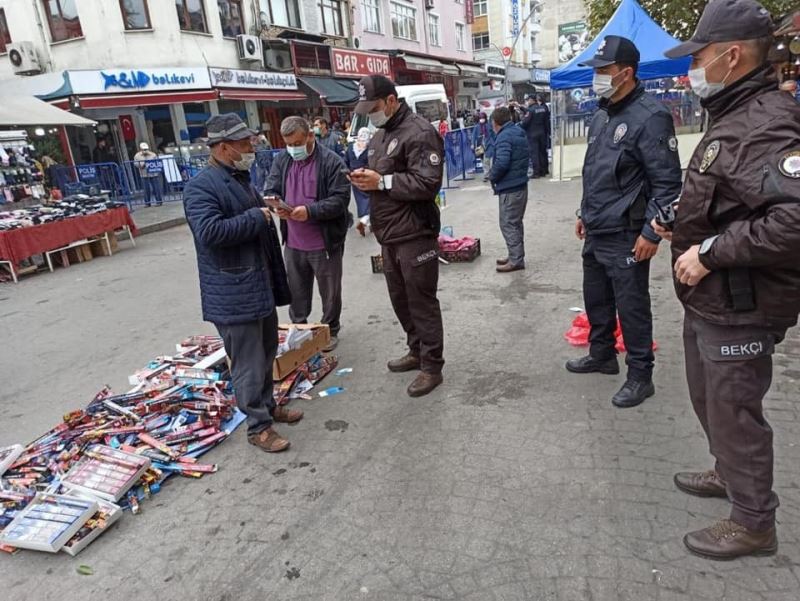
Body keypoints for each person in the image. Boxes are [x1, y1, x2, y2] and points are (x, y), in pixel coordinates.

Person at [654, 0, 800, 560]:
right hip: (711, 300)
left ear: (731, 55)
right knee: (709, 398)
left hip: (740, 300)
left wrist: (711, 252)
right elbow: (735, 196)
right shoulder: (736, 115)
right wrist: (684, 222)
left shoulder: (767, 121)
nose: (693, 69)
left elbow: (792, 218)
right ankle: (728, 472)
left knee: (735, 408)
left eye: (700, 56)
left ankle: (754, 521)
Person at [567, 35, 682, 409]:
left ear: (626, 73)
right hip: (598, 227)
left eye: (603, 71)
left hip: (628, 234)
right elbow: (594, 171)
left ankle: (640, 375)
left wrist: (652, 231)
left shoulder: (651, 117)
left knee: (631, 306)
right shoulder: (601, 114)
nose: (596, 77)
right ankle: (602, 356)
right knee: (596, 298)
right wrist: (584, 211)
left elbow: (667, 184)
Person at [183, 113, 301, 454]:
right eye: (244, 142)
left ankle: (267, 406)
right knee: (248, 363)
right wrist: (256, 216)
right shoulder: (201, 187)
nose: (251, 146)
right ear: (223, 147)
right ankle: (258, 427)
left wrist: (264, 207)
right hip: (233, 293)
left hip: (255, 286)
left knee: (265, 353)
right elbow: (210, 232)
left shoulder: (237, 178)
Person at [350, 75, 445, 398]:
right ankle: (415, 349)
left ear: (391, 100)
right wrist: (366, 189)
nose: (370, 114)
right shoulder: (380, 135)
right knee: (400, 300)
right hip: (388, 234)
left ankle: (432, 366)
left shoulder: (419, 132)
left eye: (374, 107)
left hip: (415, 232)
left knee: (421, 302)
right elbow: (377, 178)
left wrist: (383, 183)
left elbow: (428, 183)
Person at [264, 117, 350, 352]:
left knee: (330, 291)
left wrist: (310, 211)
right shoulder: (283, 160)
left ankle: (330, 328)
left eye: (298, 142)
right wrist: (275, 205)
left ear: (311, 136)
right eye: (289, 143)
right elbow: (270, 187)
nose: (294, 148)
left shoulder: (332, 162)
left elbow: (340, 199)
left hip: (324, 242)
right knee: (297, 290)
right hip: (293, 241)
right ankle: (299, 329)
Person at [487, 107, 529, 273]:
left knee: (508, 224)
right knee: (516, 223)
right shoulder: (518, 131)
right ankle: (515, 255)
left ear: (496, 123)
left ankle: (516, 260)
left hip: (510, 188)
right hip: (520, 185)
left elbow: (502, 162)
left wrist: (492, 176)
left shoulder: (504, 136)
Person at [346, 127, 372, 232]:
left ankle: (367, 220)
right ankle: (366, 221)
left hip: (354, 178)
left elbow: (345, 161)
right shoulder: (370, 147)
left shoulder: (351, 147)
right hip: (366, 176)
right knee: (370, 199)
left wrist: (348, 172)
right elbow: (372, 163)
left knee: (360, 200)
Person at [520, 95, 550, 178]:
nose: (527, 102)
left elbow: (525, 123)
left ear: (532, 100)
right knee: (542, 152)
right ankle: (544, 171)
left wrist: (521, 124)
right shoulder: (543, 108)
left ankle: (536, 173)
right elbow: (546, 121)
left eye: (528, 100)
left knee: (534, 154)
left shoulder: (530, 110)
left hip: (533, 134)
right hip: (542, 133)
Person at [133, 142, 163, 207]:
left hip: (153, 174)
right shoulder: (137, 156)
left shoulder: (153, 154)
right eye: (143, 149)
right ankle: (147, 203)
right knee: (146, 189)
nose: (145, 151)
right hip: (144, 174)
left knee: (156, 188)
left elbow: (157, 162)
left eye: (146, 149)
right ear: (140, 149)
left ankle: (159, 201)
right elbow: (135, 163)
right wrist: (141, 165)